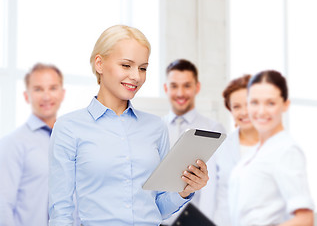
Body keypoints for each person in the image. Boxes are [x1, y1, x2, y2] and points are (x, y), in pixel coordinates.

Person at [48, 25, 209, 226]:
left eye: (143, 68)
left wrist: (185, 190)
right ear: (99, 64)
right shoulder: (69, 127)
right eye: (126, 65)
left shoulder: (156, 127)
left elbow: (158, 208)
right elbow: (60, 212)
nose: (136, 76)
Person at [228, 70, 314, 225]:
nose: (261, 111)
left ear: (285, 104)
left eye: (270, 103)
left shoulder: (286, 150)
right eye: (254, 102)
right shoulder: (256, 152)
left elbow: (305, 219)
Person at [161, 59, 225, 225]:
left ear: (197, 87)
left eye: (187, 85)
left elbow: (218, 185)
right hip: (160, 220)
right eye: (174, 86)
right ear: (166, 88)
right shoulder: (156, 128)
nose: (180, 93)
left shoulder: (214, 129)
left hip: (195, 222)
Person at [0, 63, 65, 226]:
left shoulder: (70, 141)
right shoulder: (12, 143)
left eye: (53, 88)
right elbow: (3, 205)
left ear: (62, 93)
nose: (46, 96)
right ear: (26, 95)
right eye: (38, 89)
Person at [207, 74, 259, 225]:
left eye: (249, 104)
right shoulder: (219, 147)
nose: (243, 112)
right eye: (236, 107)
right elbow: (210, 198)